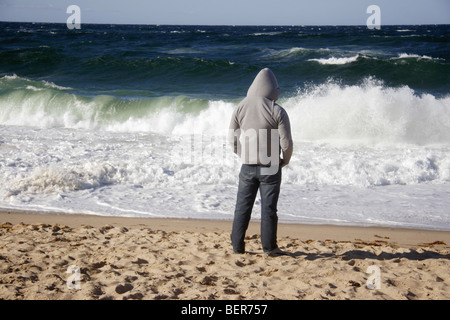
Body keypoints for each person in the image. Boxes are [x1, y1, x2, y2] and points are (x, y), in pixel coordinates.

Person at [228, 68, 293, 256]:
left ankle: (237, 247)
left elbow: (232, 139)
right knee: (269, 209)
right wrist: (285, 160)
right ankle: (269, 248)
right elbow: (286, 143)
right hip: (271, 166)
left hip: (247, 166)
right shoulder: (277, 110)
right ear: (272, 88)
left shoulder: (240, 107)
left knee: (242, 207)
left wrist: (243, 155)